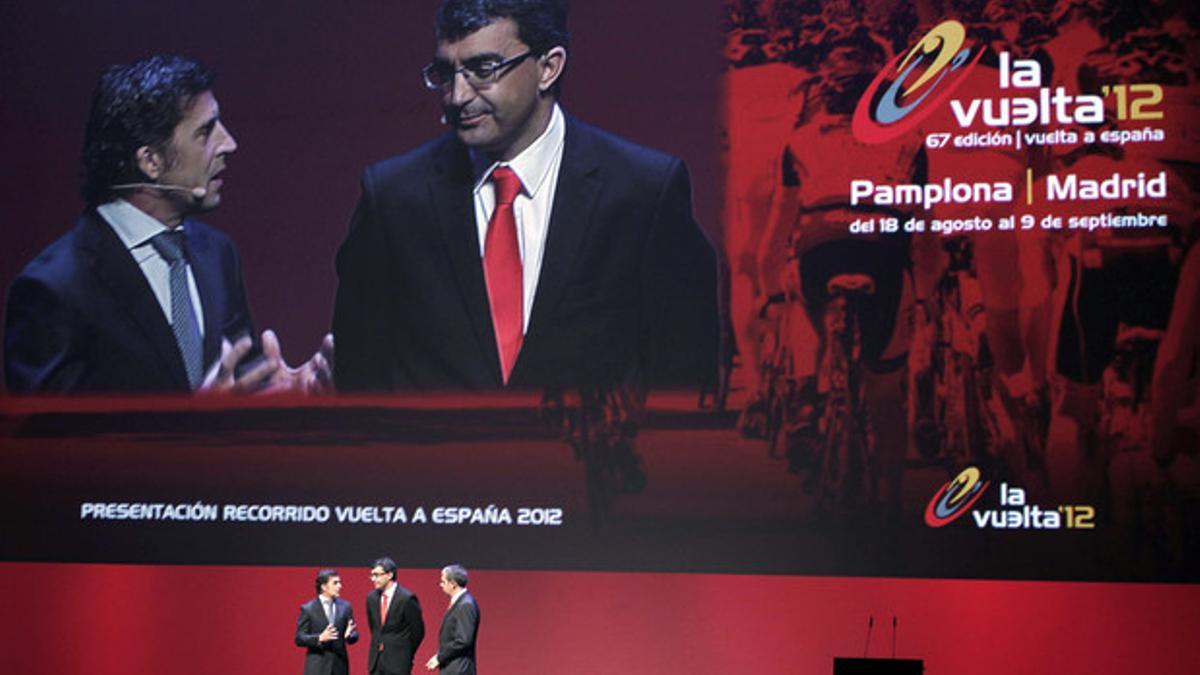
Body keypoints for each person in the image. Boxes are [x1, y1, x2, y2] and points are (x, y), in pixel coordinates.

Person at [332, 0, 718, 392]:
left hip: (592, 454)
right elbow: (362, 383)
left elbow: (685, 380)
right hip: (435, 453)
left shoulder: (643, 194)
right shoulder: (393, 199)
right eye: (446, 73)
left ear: (548, 68)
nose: (458, 95)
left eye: (484, 70)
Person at [4, 54, 333, 394]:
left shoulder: (216, 253)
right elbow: (48, 442)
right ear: (151, 161)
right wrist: (189, 427)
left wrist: (285, 390)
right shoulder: (53, 289)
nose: (229, 144)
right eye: (205, 132)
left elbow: (235, 383)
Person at [366, 557, 425, 675]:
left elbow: (418, 631)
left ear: (389, 575)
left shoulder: (406, 598)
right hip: (376, 662)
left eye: (377, 575)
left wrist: (406, 652)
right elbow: (375, 628)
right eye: (372, 575)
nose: (373, 579)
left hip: (398, 663)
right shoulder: (371, 598)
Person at [295, 568, 360, 675]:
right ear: (324, 586)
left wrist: (350, 636)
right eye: (335, 583)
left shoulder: (345, 607)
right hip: (317, 667)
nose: (340, 586)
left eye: (339, 582)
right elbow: (299, 638)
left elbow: (354, 633)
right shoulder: (309, 609)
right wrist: (319, 638)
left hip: (339, 666)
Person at [425, 565, 479, 674]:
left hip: (459, 669)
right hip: (452, 667)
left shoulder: (465, 605)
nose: (440, 585)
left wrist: (440, 657)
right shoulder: (460, 602)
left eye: (443, 582)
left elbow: (463, 641)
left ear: (453, 583)